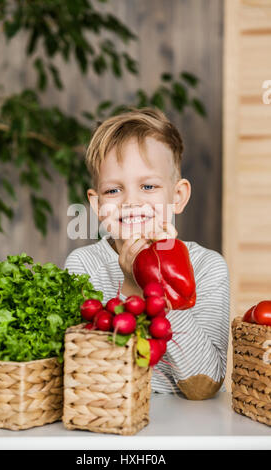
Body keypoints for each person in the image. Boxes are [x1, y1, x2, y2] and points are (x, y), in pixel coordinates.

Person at [64, 107, 230, 400]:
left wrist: (156, 285)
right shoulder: (84, 265)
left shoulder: (208, 266)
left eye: (148, 186)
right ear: (97, 204)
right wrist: (131, 285)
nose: (131, 202)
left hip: (189, 429)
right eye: (114, 191)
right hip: (107, 417)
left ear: (177, 196)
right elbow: (91, 377)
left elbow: (204, 385)